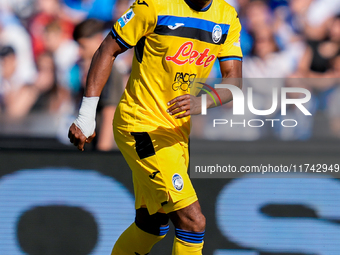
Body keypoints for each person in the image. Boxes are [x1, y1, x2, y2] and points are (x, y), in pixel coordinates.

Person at [68, 0, 242, 254]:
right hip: (141, 124)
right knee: (193, 222)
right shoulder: (154, 5)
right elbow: (107, 49)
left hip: (176, 133)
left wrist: (202, 101)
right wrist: (86, 114)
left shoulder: (226, 16)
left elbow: (233, 81)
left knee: (152, 224)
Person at [72, 19, 124, 150]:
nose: (79, 51)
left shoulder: (108, 71)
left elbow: (109, 114)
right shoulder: (86, 70)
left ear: (98, 39)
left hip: (106, 149)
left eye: (82, 46)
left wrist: (102, 156)